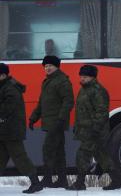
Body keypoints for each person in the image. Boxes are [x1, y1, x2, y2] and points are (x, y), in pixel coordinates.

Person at [67, 65, 121, 191]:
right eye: (81, 77)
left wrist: (95, 129)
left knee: (82, 155)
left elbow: (102, 112)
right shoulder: (84, 90)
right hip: (87, 130)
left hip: (94, 130)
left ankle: (80, 182)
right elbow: (81, 111)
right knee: (102, 156)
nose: (82, 79)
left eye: (85, 77)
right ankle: (117, 180)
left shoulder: (98, 91)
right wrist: (77, 127)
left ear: (92, 77)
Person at [29, 55, 74, 188]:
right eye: (46, 66)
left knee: (48, 149)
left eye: (50, 66)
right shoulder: (48, 81)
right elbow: (41, 103)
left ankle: (48, 178)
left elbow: (68, 101)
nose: (47, 68)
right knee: (59, 152)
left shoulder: (62, 81)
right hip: (51, 122)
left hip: (56, 123)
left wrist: (61, 119)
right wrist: (33, 118)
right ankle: (62, 180)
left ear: (57, 66)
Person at [0, 63, 43, 194]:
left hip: (11, 131)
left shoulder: (10, 89)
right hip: (5, 129)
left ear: (3, 75)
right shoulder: (5, 86)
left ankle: (36, 183)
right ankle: (36, 183)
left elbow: (7, 109)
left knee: (20, 158)